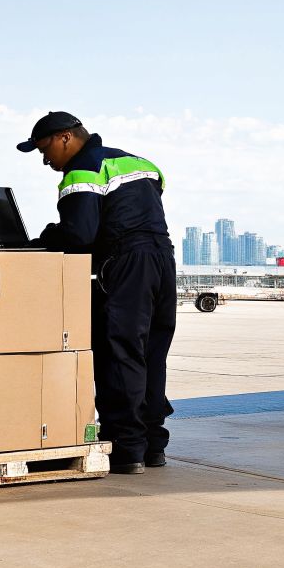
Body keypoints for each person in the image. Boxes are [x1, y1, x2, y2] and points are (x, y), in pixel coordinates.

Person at [20, 111, 175, 475]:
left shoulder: (83, 170)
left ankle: (126, 449)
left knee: (119, 353)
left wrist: (44, 238)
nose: (45, 161)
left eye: (45, 150)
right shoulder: (141, 163)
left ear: (65, 138)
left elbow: (80, 236)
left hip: (123, 264)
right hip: (162, 260)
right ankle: (153, 445)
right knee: (151, 353)